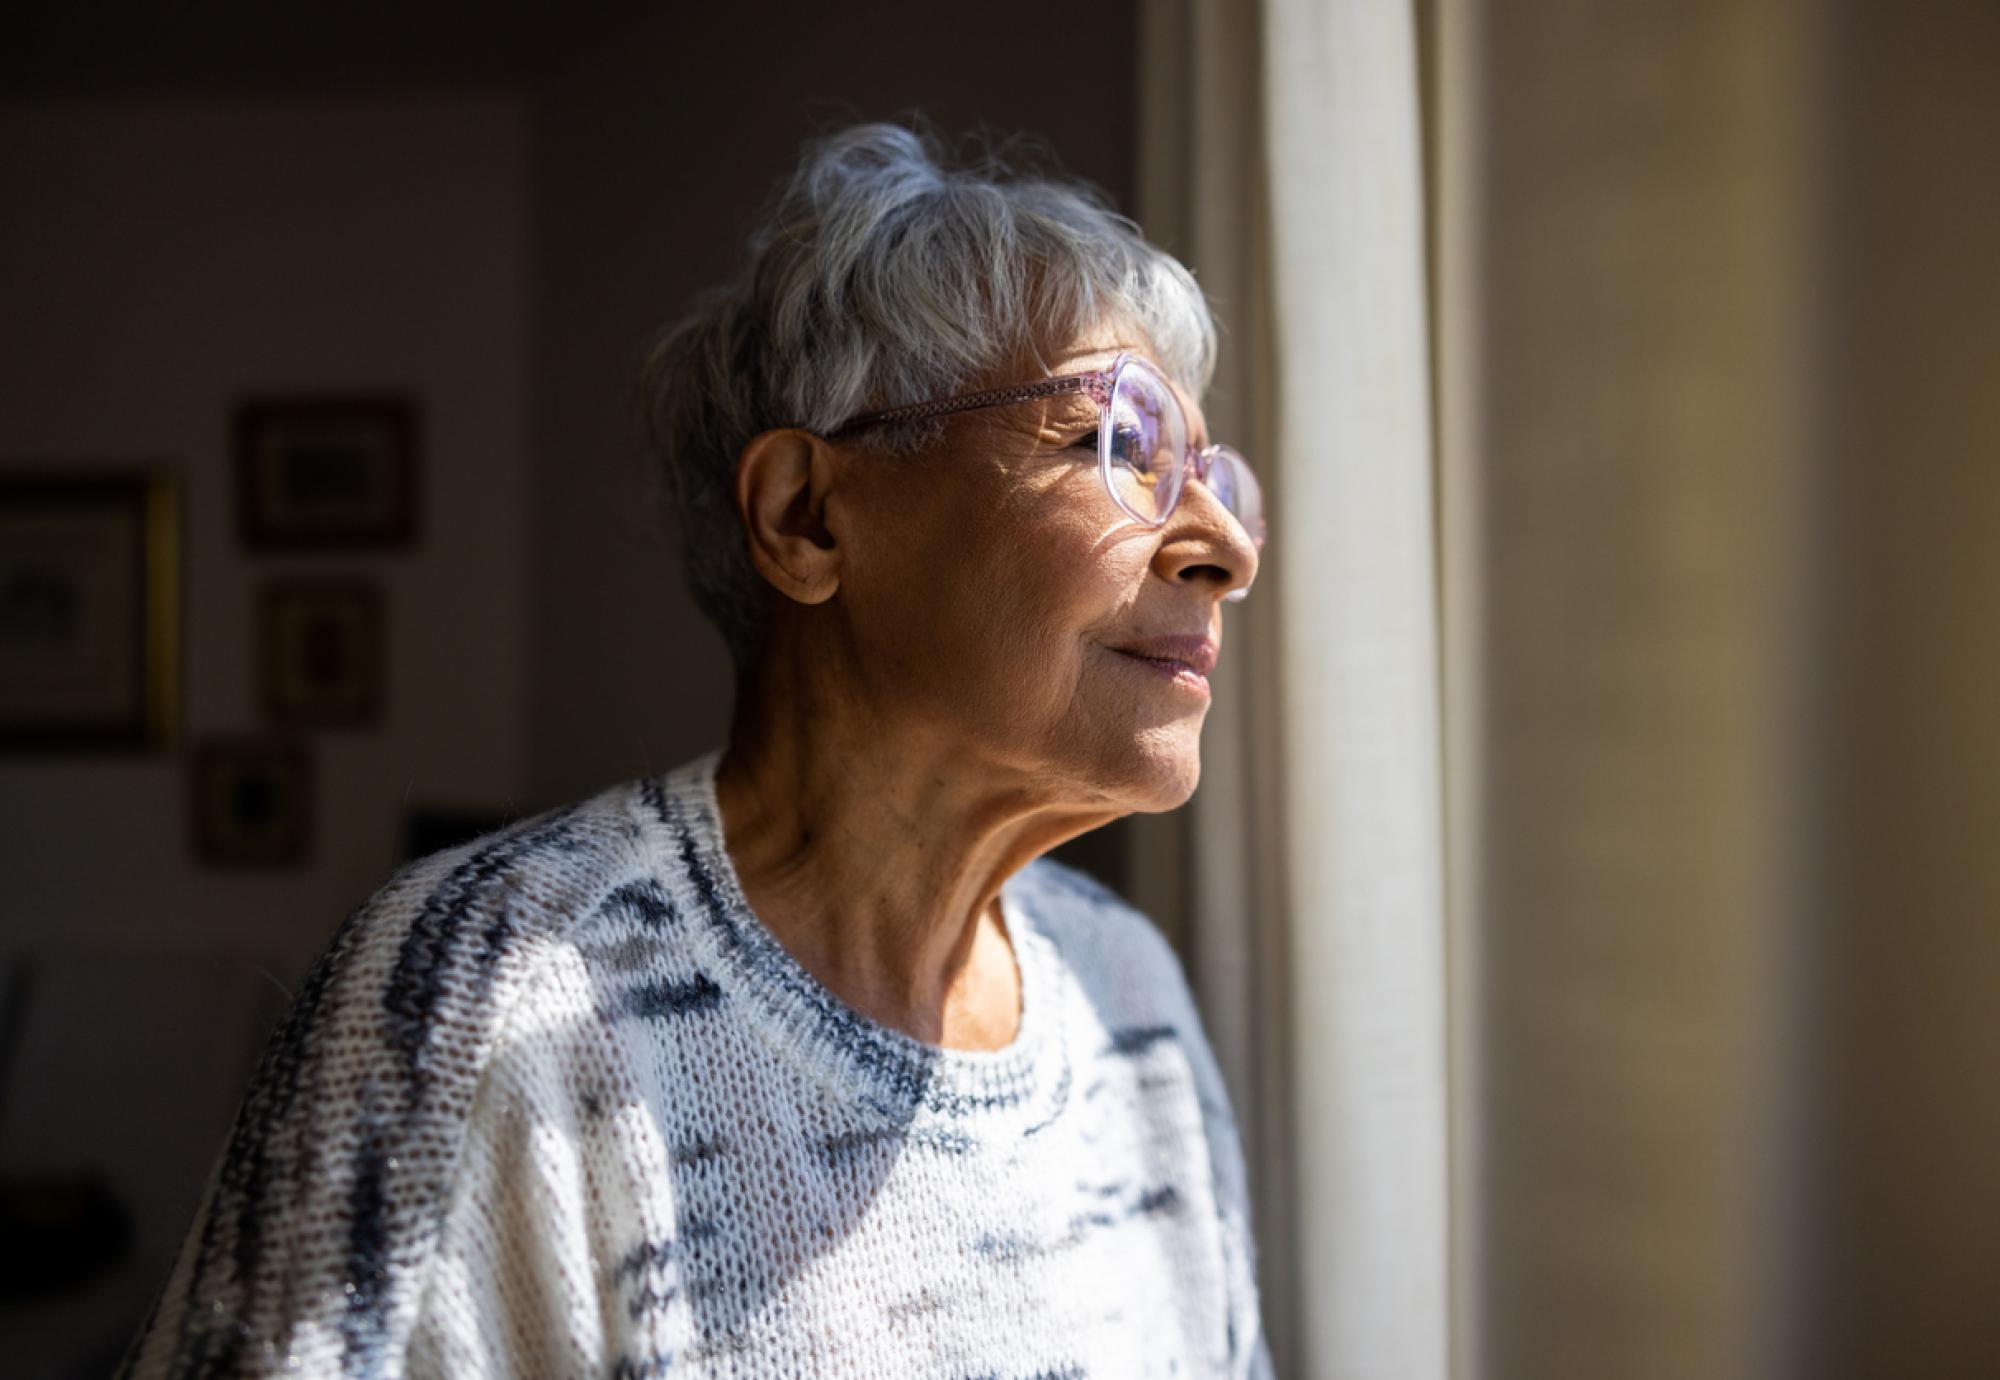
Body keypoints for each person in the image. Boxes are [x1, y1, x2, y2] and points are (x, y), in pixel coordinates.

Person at [118, 120, 1272, 1379]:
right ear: (806, 517)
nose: (1224, 545)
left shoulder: (1128, 999)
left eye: (1212, 473)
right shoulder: (493, 991)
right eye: (1118, 446)